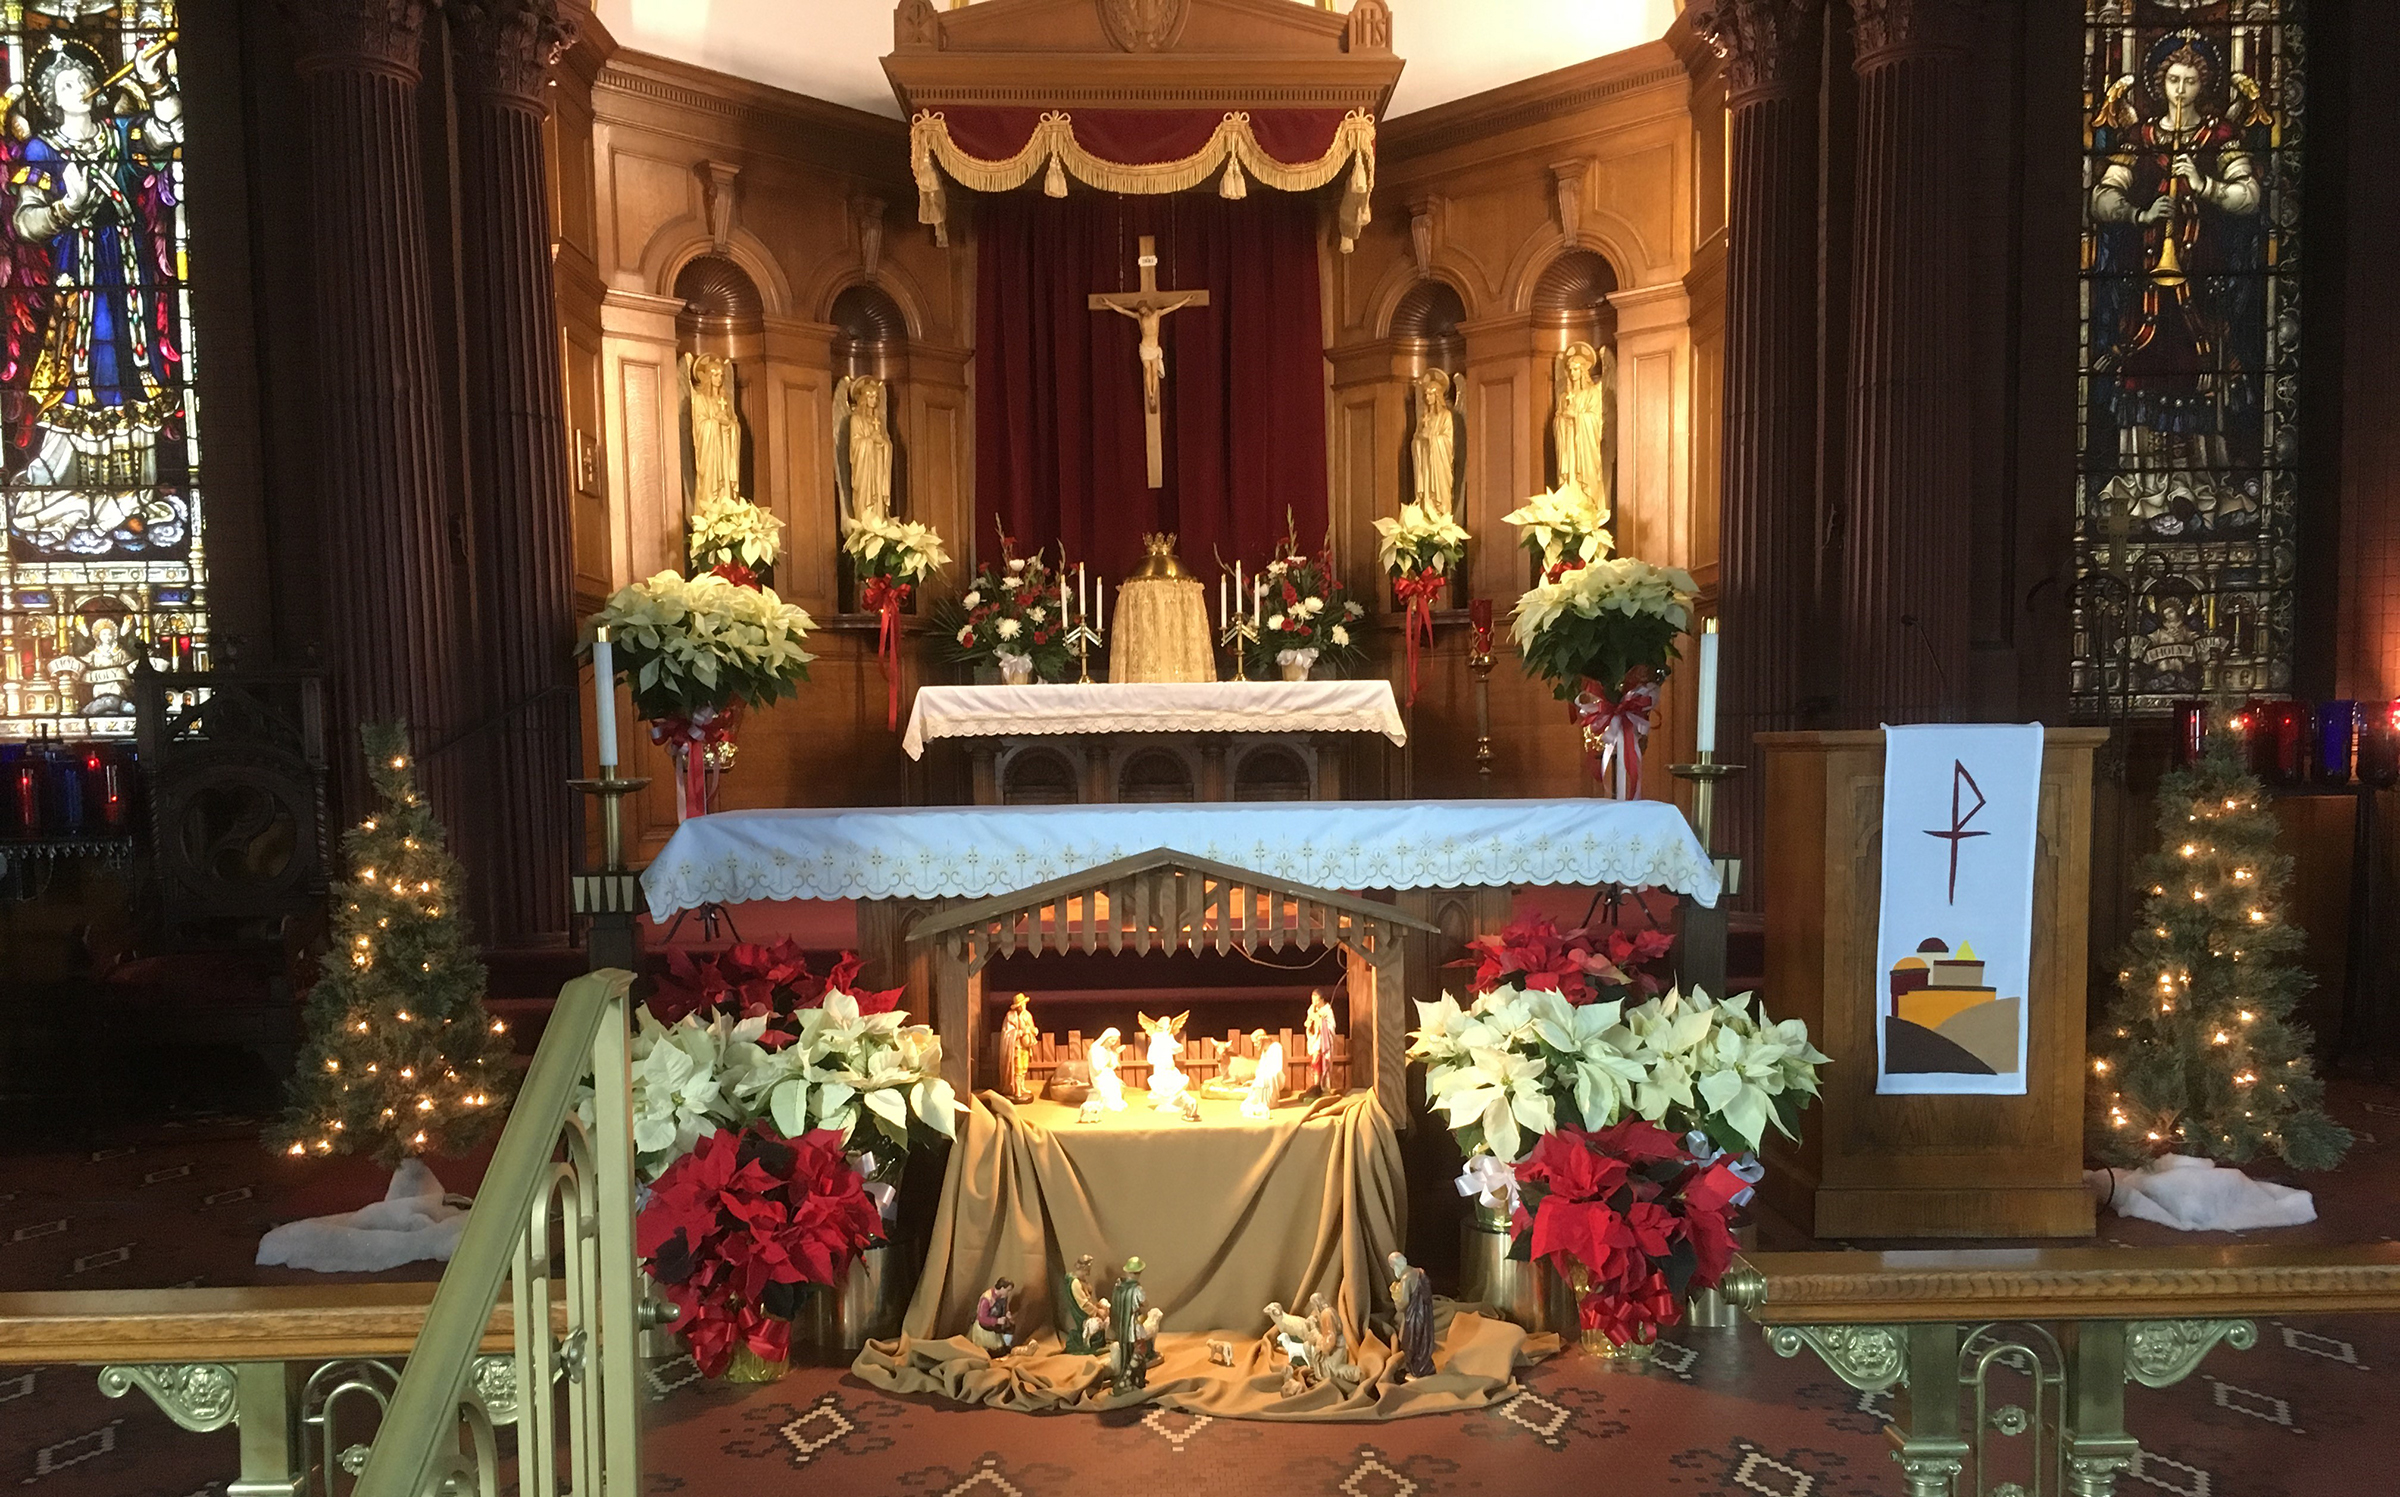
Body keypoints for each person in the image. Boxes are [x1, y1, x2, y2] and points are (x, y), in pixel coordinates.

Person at [4, 34, 186, 553]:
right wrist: (68, 207)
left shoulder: (120, 133)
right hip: (77, 275)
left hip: (127, 271)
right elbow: (25, 222)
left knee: (132, 371)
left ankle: (132, 495)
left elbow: (168, 129)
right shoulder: (42, 149)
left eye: (84, 78)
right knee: (83, 368)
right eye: (66, 82)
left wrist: (155, 80)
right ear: (51, 98)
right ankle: (74, 487)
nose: (79, 87)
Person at [998, 993, 1039, 1104]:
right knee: (1017, 1069)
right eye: (1020, 1005)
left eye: (1023, 1004)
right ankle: (1017, 1091)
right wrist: (1019, 1033)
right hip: (1016, 1046)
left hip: (1025, 1046)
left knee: (1024, 1068)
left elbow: (1031, 1026)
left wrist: (1034, 1030)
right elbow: (1008, 1033)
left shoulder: (1027, 1015)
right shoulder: (1011, 1017)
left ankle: (1022, 1086)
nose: (1022, 1007)